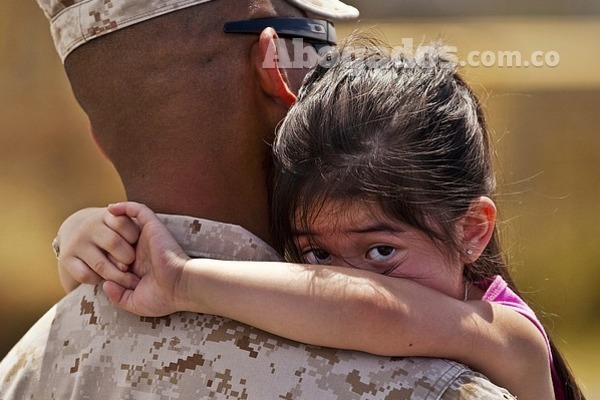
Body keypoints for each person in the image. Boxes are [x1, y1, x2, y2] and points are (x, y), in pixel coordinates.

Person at [0, 0, 517, 398]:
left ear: (99, 136)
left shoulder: (24, 370)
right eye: (322, 51)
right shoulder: (434, 382)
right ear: (280, 68)